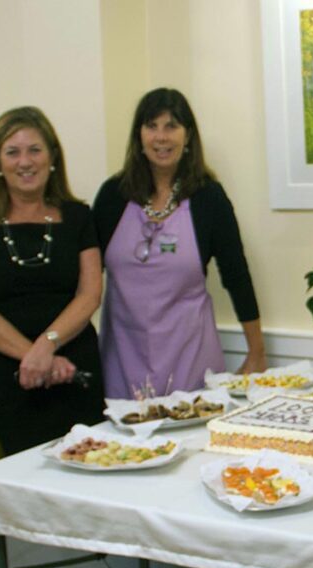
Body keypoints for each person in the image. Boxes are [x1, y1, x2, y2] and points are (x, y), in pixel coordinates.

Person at [93, 88, 266, 399]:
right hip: (122, 359)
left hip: (192, 361)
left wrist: (257, 352)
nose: (161, 137)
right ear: (138, 136)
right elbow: (85, 280)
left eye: (171, 126)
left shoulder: (208, 198)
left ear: (188, 137)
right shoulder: (111, 196)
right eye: (152, 126)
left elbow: (236, 275)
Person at [0, 107, 105, 454]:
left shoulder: (79, 216)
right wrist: (34, 357)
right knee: (26, 475)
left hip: (75, 366)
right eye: (13, 151)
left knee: (91, 466)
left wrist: (47, 346)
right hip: (9, 371)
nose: (25, 161)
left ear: (52, 157)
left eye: (35, 150)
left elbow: (90, 293)